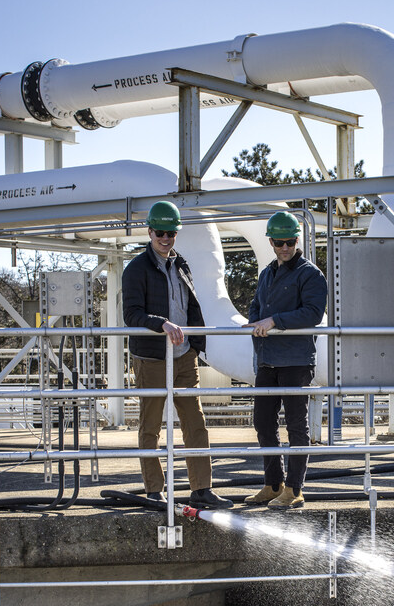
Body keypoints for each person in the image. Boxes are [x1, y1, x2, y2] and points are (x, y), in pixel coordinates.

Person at [122, 200, 233, 509]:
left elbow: (192, 305)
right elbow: (131, 314)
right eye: (160, 233)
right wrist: (162, 324)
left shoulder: (181, 263)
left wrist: (196, 344)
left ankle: (201, 489)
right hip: (152, 358)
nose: (166, 238)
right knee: (151, 425)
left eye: (171, 233)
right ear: (149, 232)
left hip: (183, 355)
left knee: (195, 422)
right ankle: (155, 490)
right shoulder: (135, 270)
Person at [246, 211, 328, 509]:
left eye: (290, 241)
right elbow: (256, 307)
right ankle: (273, 483)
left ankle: (294, 489)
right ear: (271, 241)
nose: (285, 247)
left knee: (296, 425)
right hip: (267, 359)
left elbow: (313, 313)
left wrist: (273, 321)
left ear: (298, 240)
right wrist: (257, 324)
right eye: (279, 242)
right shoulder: (268, 273)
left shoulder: (309, 274)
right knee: (263, 422)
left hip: (295, 360)